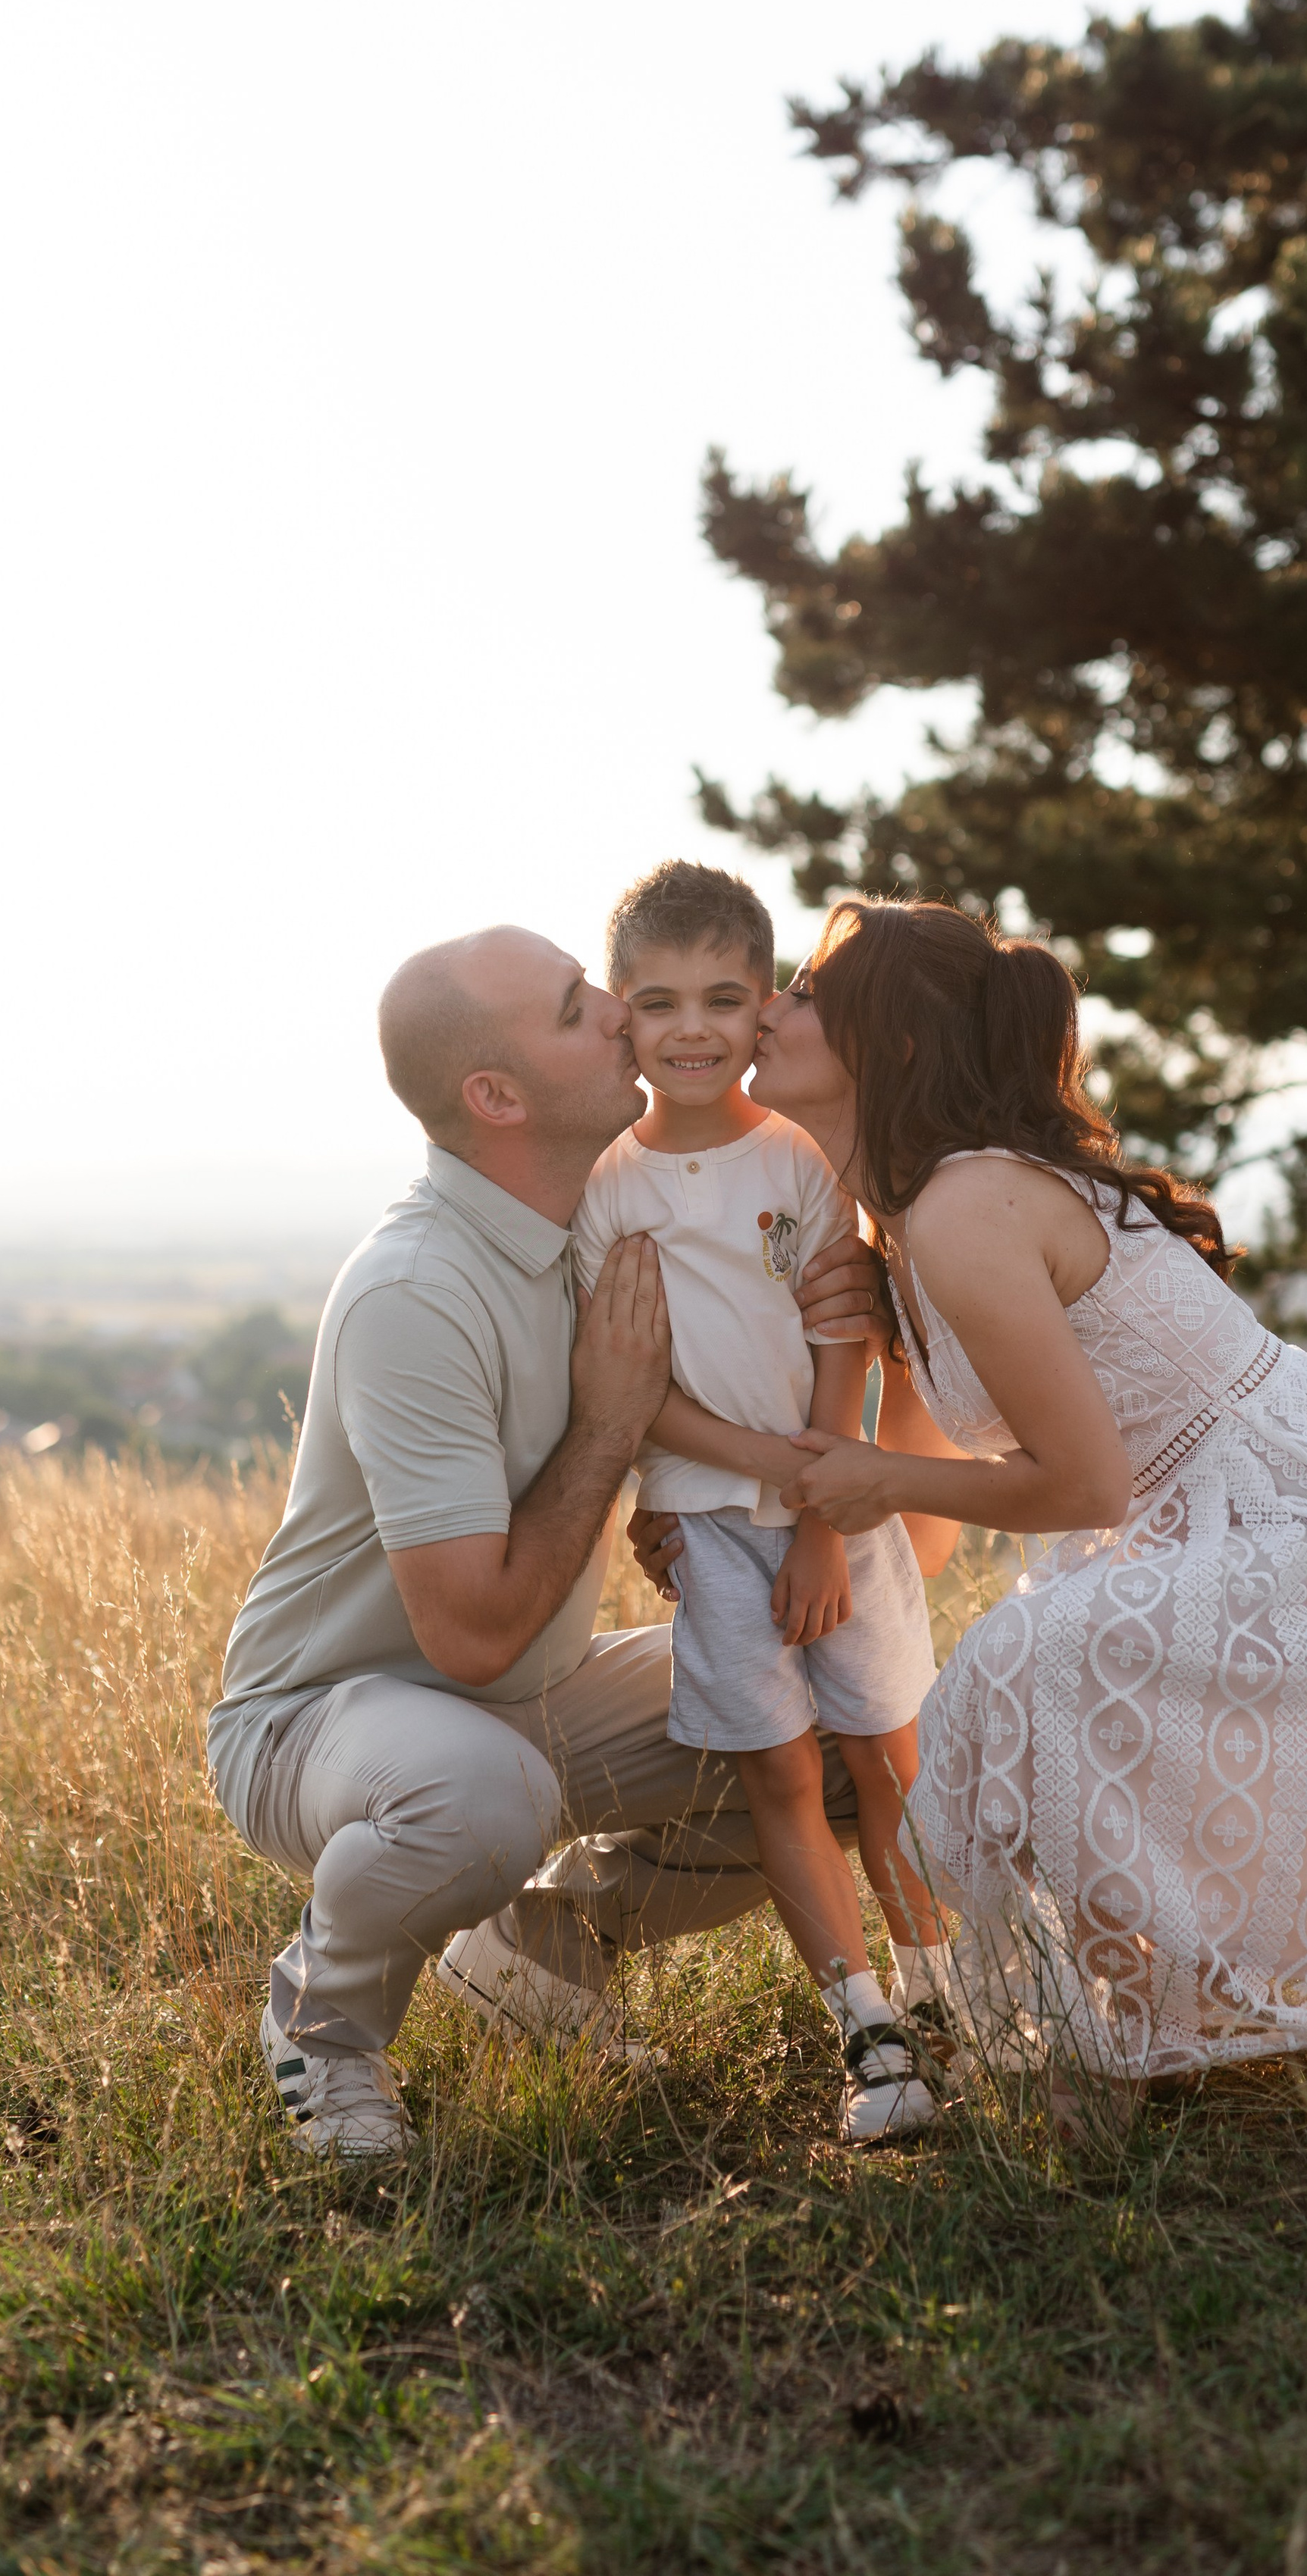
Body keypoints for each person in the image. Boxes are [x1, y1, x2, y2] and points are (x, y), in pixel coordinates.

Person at [719, 897, 1307, 2096]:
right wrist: (797, 1558)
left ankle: (1158, 2034)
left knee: (1020, 1665)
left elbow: (1082, 1485)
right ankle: (1174, 2019)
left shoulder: (966, 1205)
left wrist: (874, 1478)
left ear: (892, 1042)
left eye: (806, 992)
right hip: (1218, 1519)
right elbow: (930, 1527)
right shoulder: (904, 1225)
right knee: (1016, 1667)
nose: (771, 1007)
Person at [207, 922, 880, 2158]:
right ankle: (324, 2030)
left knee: (843, 1718)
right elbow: (469, 1637)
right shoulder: (418, 1290)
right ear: (498, 1097)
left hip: (534, 1697)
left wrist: (857, 1298)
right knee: (478, 1794)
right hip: (329, 1720)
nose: (622, 1013)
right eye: (578, 1007)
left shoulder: (600, 1220)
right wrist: (610, 1430)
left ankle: (540, 1944)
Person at [573, 862, 949, 2142]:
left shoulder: (798, 1155)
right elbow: (632, 1388)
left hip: (842, 1507)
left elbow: (844, 1332)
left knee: (888, 1758)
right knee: (781, 1778)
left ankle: (944, 1991)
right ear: (620, 1013)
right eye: (659, 1002)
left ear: (761, 1006)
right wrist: (765, 1473)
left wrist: (823, 1513)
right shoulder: (608, 1187)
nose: (692, 1030)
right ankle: (869, 2031)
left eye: (723, 999)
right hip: (713, 1520)